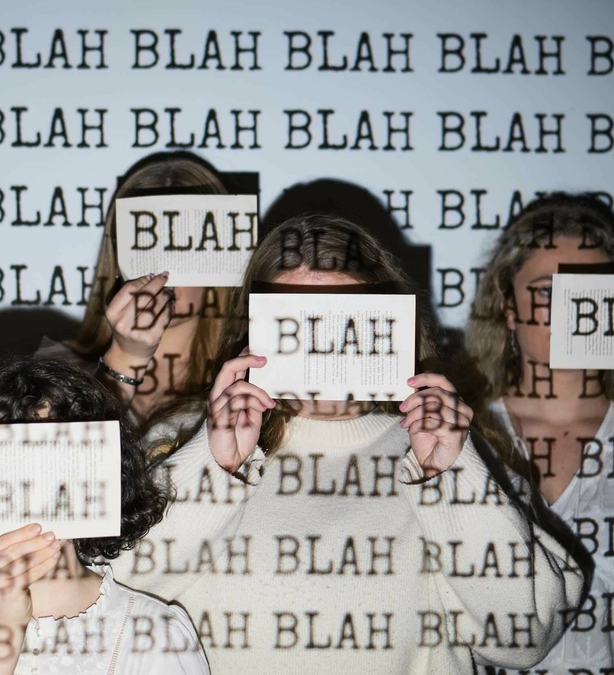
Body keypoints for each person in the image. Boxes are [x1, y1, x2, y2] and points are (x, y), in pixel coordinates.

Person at [113, 214, 585, 673]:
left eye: (346, 322)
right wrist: (213, 463)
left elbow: (525, 637)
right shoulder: (182, 438)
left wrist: (452, 474)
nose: (324, 345)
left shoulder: (449, 450)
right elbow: (111, 591)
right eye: (297, 324)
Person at [464, 193, 614, 674]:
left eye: (590, 292)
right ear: (508, 308)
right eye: (548, 293)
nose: (572, 311)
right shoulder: (462, 437)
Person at [0, 357, 209, 674]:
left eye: (55, 453)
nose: (29, 480)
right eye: (3, 456)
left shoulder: (157, 634)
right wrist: (2, 627)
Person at [43, 152, 235, 430]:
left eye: (182, 245)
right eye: (145, 244)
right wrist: (123, 360)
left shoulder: (248, 373)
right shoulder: (53, 374)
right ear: (118, 259)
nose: (160, 269)